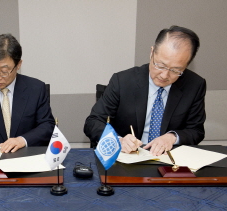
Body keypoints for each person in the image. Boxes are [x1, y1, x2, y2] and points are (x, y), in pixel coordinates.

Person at [84, 25, 206, 156]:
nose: (164, 75)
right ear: (152, 52)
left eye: (176, 70)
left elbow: (196, 130)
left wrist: (172, 137)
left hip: (167, 160)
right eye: (160, 65)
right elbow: (93, 122)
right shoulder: (123, 81)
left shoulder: (194, 85)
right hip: (128, 158)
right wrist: (118, 140)